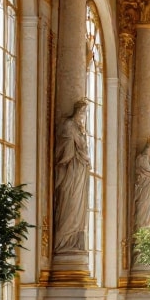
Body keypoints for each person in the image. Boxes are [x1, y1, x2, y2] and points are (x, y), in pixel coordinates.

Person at [53, 100, 90, 254]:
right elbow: (65, 148)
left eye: (85, 112)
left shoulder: (79, 129)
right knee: (69, 200)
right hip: (71, 168)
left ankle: (73, 241)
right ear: (76, 111)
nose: (83, 115)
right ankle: (64, 242)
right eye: (81, 111)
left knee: (78, 205)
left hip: (80, 169)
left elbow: (83, 148)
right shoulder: (69, 125)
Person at [133, 136, 150, 229]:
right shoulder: (142, 158)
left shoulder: (148, 160)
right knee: (144, 208)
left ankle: (146, 228)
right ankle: (141, 228)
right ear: (148, 147)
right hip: (144, 188)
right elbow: (149, 173)